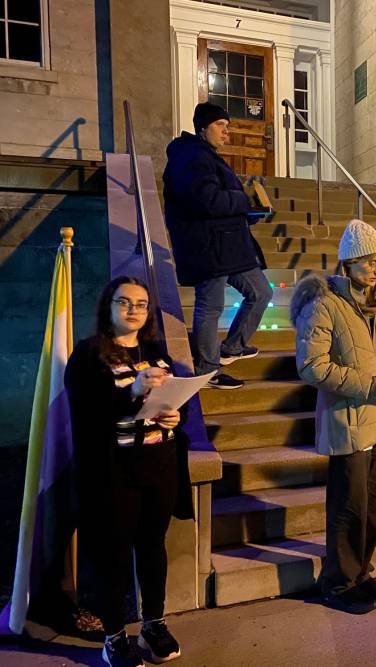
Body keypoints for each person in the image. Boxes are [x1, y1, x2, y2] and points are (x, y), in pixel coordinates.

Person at [65, 276, 193, 667]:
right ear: (108, 307)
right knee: (113, 555)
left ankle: (153, 624)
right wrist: (131, 393)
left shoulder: (155, 352)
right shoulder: (88, 356)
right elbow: (85, 415)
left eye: (141, 303)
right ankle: (114, 636)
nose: (134, 310)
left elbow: (177, 403)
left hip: (159, 467)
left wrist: (175, 415)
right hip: (113, 474)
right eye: (125, 302)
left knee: (153, 548)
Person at [290, 219, 376, 615]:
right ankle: (338, 583)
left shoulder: (375, 306)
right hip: (347, 420)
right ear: (348, 262)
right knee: (349, 507)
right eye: (370, 262)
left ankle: (360, 572)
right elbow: (311, 366)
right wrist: (366, 384)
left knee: (375, 506)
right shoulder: (324, 305)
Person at [163, 102, 271, 390]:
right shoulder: (190, 155)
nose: (227, 132)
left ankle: (232, 348)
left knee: (261, 292)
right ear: (203, 127)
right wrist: (245, 201)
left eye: (228, 125)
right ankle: (207, 369)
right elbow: (205, 199)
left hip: (230, 247)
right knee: (210, 306)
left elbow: (218, 201)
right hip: (208, 247)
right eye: (221, 125)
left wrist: (249, 213)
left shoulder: (205, 156)